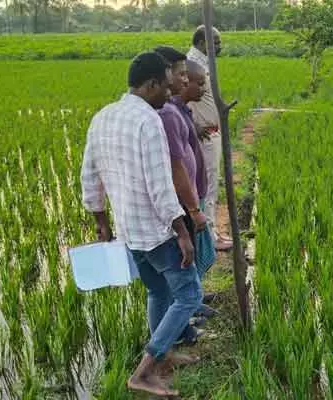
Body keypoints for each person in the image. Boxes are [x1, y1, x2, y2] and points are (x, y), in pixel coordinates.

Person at [81, 52, 200, 398]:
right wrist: (181, 231)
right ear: (150, 85)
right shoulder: (148, 121)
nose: (169, 92)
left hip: (129, 230)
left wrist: (101, 222)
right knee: (189, 294)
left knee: (158, 291)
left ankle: (163, 359)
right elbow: (160, 185)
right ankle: (145, 371)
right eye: (165, 85)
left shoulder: (102, 117)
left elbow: (89, 176)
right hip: (156, 230)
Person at [153, 46, 217, 345]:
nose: (199, 87)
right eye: (180, 75)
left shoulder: (178, 110)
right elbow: (176, 165)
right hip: (182, 203)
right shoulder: (166, 114)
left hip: (192, 196)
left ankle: (191, 308)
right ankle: (180, 332)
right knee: (177, 274)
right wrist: (192, 209)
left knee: (189, 267)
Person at [187, 25, 234, 252]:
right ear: (201, 42)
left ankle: (212, 231)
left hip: (211, 133)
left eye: (219, 41)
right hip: (204, 136)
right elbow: (179, 97)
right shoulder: (191, 65)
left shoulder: (204, 64)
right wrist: (193, 125)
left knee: (211, 185)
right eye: (214, 42)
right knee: (207, 188)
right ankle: (209, 237)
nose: (218, 46)